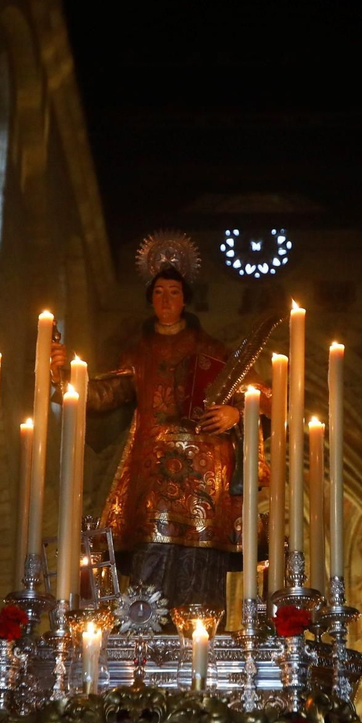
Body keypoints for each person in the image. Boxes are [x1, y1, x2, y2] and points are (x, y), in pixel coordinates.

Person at [51, 251, 266, 611]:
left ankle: (202, 639)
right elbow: (105, 393)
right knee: (152, 555)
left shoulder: (213, 350)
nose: (166, 300)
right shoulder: (138, 353)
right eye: (159, 292)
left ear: (185, 299)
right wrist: (62, 375)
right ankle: (144, 639)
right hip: (152, 476)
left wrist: (234, 412)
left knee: (200, 560)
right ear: (151, 299)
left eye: (174, 292)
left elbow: (259, 394)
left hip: (205, 475)